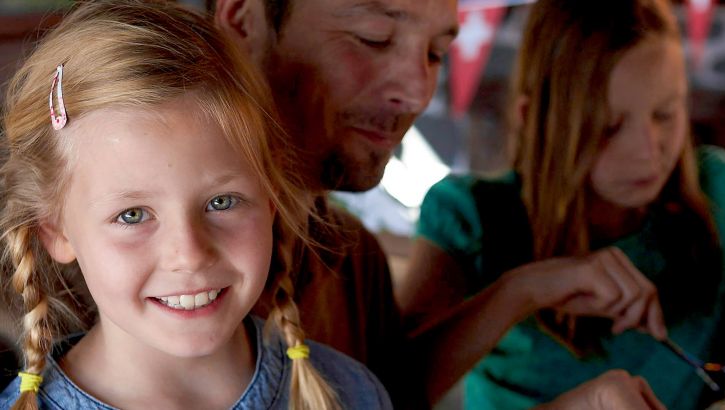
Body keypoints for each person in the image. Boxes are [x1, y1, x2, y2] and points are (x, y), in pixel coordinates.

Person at [211, 1, 684, 409]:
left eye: (436, 53)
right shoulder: (184, 264)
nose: (418, 91)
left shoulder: (357, 261)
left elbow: (395, 397)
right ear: (243, 18)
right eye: (373, 38)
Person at [0, 1, 392, 409]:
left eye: (221, 202)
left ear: (271, 199)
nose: (189, 255)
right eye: (132, 215)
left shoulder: (352, 394)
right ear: (56, 231)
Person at [398, 0, 725, 409]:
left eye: (665, 114)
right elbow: (384, 390)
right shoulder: (470, 218)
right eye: (608, 128)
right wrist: (525, 289)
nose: (648, 153)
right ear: (533, 117)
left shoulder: (717, 191)